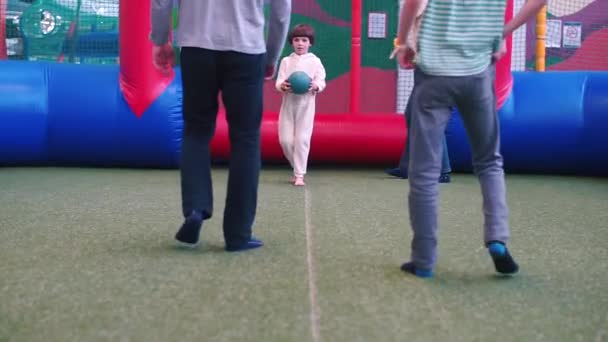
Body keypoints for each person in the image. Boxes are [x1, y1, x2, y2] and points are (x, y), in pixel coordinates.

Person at [392, 0, 547, 277]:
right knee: (489, 162)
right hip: (477, 73)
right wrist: (502, 32)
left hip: (433, 74)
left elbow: (414, 3)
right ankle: (497, 238)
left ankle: (424, 259)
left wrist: (403, 42)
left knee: (424, 171)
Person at [150, 0, 291, 251]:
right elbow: (281, 13)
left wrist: (160, 39)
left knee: (196, 130)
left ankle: (195, 207)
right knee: (246, 139)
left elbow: (161, 3)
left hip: (196, 47)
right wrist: (271, 55)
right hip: (247, 50)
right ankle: (238, 234)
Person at [386, 0, 451, 183]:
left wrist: (402, 45)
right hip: (430, 59)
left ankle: (442, 169)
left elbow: (413, 9)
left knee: (428, 115)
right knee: (412, 113)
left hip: (436, 61)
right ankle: (408, 166)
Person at [275, 24, 326, 186]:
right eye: (297, 40)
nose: (300, 43)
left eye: (304, 40)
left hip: (306, 105)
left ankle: (299, 175)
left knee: (302, 139)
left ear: (310, 43)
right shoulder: (286, 61)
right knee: (286, 141)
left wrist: (316, 86)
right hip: (288, 105)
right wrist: (282, 86)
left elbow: (321, 80)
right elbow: (279, 81)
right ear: (292, 42)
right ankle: (296, 166)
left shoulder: (315, 61)